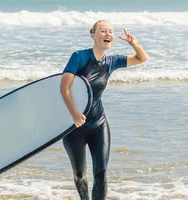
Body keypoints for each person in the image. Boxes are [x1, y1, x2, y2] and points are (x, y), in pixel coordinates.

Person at [59, 20, 148, 200]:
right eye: (102, 31)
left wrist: (134, 44)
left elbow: (142, 58)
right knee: (79, 174)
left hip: (98, 124)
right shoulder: (79, 57)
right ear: (93, 35)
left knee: (101, 173)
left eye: (110, 32)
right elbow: (64, 89)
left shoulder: (111, 61)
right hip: (73, 127)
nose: (108, 34)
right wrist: (74, 114)